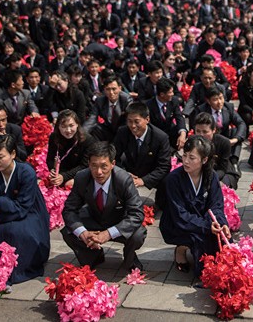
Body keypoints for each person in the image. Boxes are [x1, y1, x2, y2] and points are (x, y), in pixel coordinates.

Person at [0, 134, 50, 284]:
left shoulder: (26, 172)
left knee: (17, 232)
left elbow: (23, 207)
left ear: (13, 154)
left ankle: (18, 269)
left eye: (0, 157)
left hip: (28, 212)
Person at [61, 141, 146, 272]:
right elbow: (69, 210)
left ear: (113, 164)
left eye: (104, 166)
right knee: (69, 230)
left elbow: (137, 213)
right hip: (94, 219)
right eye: (94, 166)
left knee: (137, 235)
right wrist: (83, 232)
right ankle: (93, 256)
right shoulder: (81, 177)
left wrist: (108, 234)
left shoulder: (123, 179)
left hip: (118, 220)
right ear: (88, 164)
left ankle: (130, 259)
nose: (98, 172)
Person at [159, 135, 230, 280]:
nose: (185, 161)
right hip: (177, 223)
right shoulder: (173, 179)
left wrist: (221, 224)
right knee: (200, 238)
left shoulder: (211, 176)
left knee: (221, 239)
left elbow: (216, 205)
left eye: (192, 157)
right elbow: (179, 214)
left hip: (203, 221)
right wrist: (206, 226)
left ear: (204, 160)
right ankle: (182, 249)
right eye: (184, 155)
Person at [113, 101, 172, 189]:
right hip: (130, 171)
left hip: (151, 173)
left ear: (147, 119)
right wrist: (124, 173)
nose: (133, 126)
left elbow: (164, 166)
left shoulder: (161, 137)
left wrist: (143, 180)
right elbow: (113, 156)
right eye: (129, 121)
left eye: (137, 122)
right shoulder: (123, 132)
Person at [46, 109, 95, 189]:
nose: (68, 130)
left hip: (79, 174)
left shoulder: (87, 140)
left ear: (77, 124)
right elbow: (50, 159)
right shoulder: (54, 138)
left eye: (71, 125)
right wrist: (53, 171)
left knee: (69, 185)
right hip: (60, 174)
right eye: (64, 126)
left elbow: (85, 165)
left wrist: (64, 176)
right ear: (58, 127)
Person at [192, 112, 239, 189]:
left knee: (218, 186)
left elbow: (222, 169)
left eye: (205, 132)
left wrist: (208, 179)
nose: (201, 135)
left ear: (214, 130)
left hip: (222, 172)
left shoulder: (224, 142)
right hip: (200, 173)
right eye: (198, 131)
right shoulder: (192, 142)